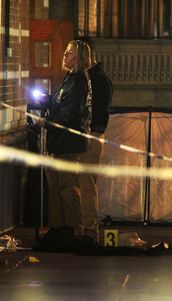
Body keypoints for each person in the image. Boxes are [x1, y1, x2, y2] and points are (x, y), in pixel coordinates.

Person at [45, 39, 92, 236]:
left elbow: (71, 114)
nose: (65, 55)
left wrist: (46, 123)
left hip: (68, 143)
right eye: (65, 51)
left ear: (79, 57)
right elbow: (58, 102)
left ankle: (75, 230)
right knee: (55, 189)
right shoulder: (68, 78)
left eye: (70, 53)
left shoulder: (79, 80)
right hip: (58, 143)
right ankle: (57, 228)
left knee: (68, 187)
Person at [77, 37, 113, 238]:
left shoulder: (98, 80)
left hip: (91, 136)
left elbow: (99, 111)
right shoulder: (82, 78)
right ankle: (80, 226)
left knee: (86, 183)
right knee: (78, 184)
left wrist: (91, 132)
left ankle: (89, 229)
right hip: (83, 136)